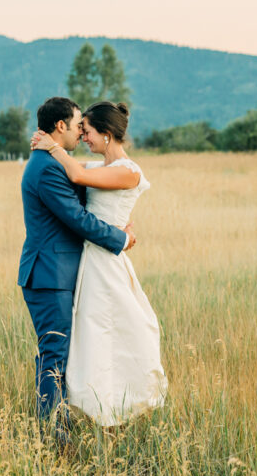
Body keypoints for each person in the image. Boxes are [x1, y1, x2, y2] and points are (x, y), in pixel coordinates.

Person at [31, 101, 167, 426]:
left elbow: (76, 174)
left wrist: (52, 145)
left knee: (117, 332)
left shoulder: (128, 170)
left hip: (106, 261)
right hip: (90, 258)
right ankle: (93, 406)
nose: (84, 137)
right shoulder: (99, 167)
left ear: (106, 135)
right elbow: (80, 174)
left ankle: (116, 407)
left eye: (88, 132)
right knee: (91, 336)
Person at [18, 97, 135, 444]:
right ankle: (54, 436)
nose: (80, 131)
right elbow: (77, 218)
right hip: (49, 275)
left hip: (60, 274)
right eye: (76, 125)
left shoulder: (53, 162)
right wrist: (121, 239)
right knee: (54, 354)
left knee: (60, 354)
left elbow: (86, 183)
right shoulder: (46, 169)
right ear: (59, 127)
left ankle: (58, 426)